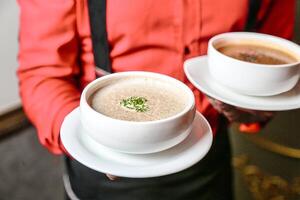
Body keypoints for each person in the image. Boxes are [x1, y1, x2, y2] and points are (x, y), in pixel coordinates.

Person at [17, 0, 295, 199]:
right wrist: (86, 140)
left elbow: (271, 66)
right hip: (105, 168)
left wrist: (256, 109)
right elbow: (42, 75)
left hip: (208, 157)